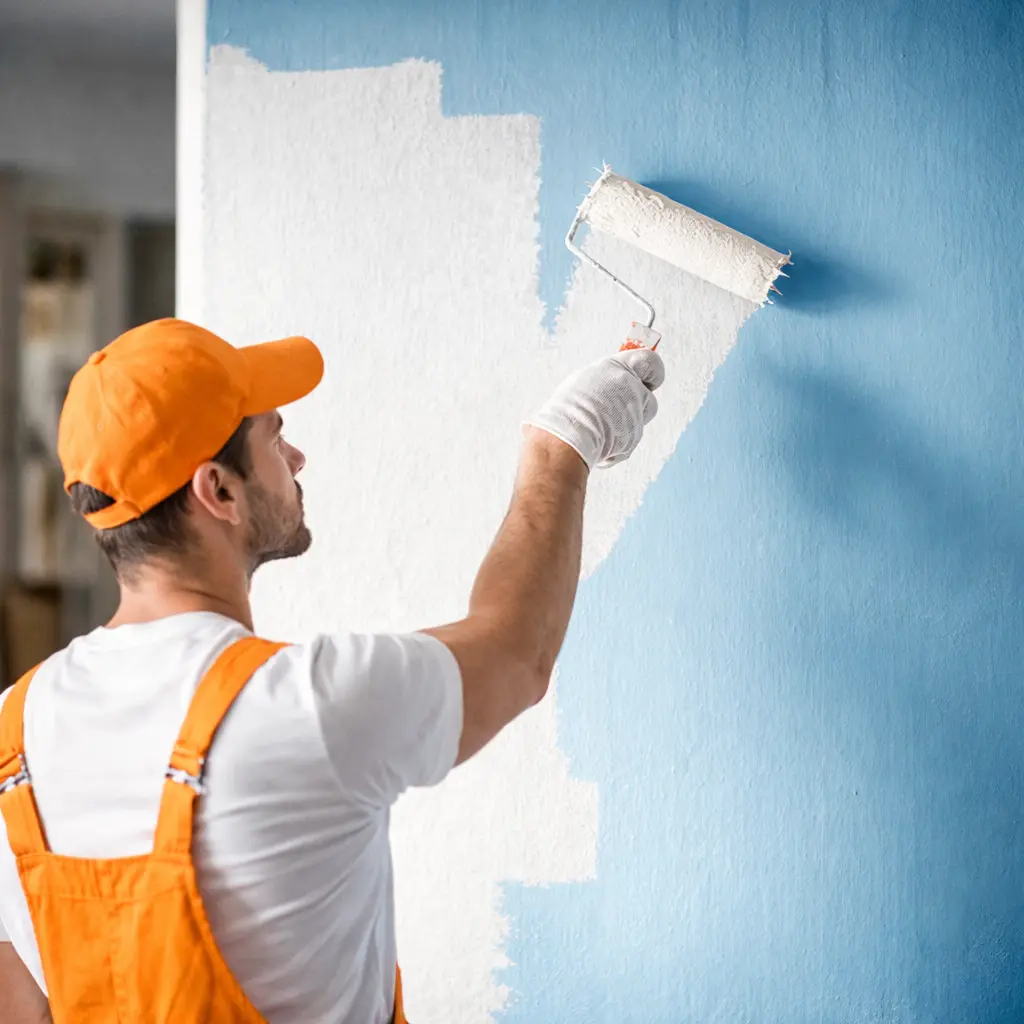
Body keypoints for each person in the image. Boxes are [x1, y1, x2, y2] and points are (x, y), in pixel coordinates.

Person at [0, 317, 664, 1023]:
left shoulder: (14, 728)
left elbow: (20, 1003)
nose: (298, 456)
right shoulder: (302, 705)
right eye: (274, 438)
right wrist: (562, 445)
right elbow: (517, 654)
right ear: (218, 492)